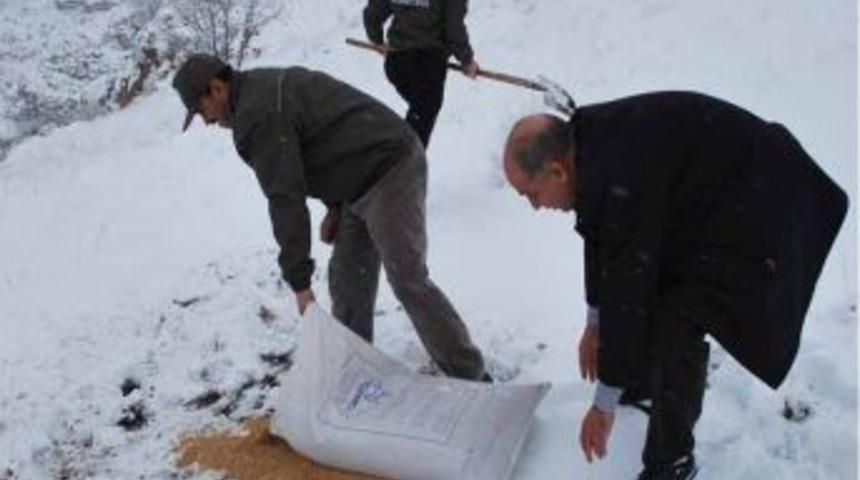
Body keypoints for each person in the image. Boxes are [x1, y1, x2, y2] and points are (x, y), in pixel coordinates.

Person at [501, 92, 848, 479]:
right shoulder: (590, 152)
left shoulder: (617, 173)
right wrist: (595, 321)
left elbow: (628, 287)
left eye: (531, 194)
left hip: (764, 203)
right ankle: (643, 383)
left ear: (558, 171)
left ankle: (671, 462)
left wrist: (604, 404)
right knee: (658, 286)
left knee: (679, 314)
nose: (535, 206)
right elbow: (601, 239)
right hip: (717, 196)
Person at [171, 53, 489, 382]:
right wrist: (335, 206)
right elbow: (322, 141)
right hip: (359, 179)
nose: (206, 121)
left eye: (201, 110)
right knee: (348, 277)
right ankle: (356, 373)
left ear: (216, 88)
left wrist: (300, 283)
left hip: (390, 165)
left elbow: (285, 197)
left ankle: (472, 376)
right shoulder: (257, 93)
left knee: (407, 277)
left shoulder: (259, 114)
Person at [363, 0, 480, 147]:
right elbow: (453, 27)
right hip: (427, 68)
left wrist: (376, 39)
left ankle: (394, 153)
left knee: (419, 116)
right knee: (420, 122)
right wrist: (466, 60)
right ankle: (395, 156)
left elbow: (374, 11)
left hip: (397, 63)